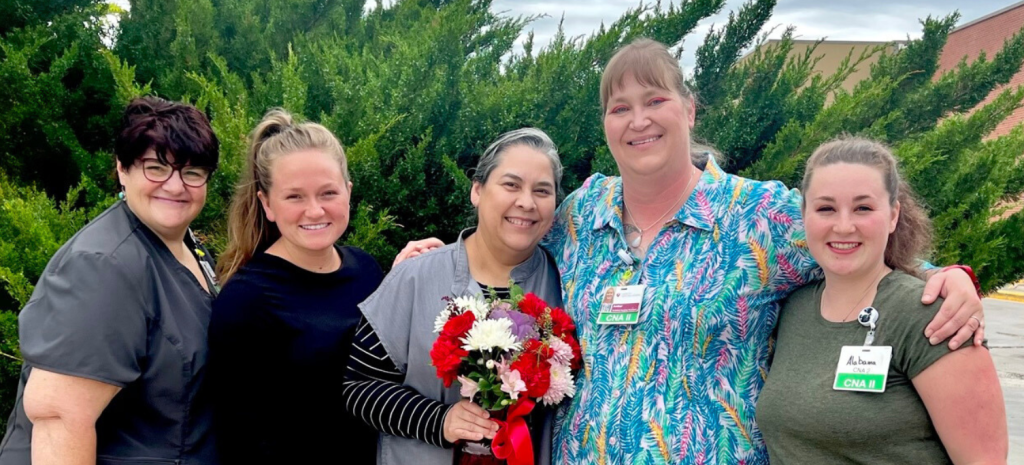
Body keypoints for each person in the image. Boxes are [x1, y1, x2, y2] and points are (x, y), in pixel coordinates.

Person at [396, 39, 985, 464]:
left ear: (689, 109)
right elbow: (508, 238)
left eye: (654, 100)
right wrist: (441, 252)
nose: (638, 120)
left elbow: (858, 242)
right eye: (619, 107)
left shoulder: (759, 216)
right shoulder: (581, 213)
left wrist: (952, 279)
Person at [755, 137, 1007, 464]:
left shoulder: (932, 314)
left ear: (892, 215)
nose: (843, 226)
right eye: (826, 208)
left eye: (863, 208)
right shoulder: (795, 308)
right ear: (805, 215)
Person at [0, 97, 220, 464]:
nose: (176, 185)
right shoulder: (103, 267)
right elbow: (59, 419)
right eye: (156, 167)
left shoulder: (186, 244)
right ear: (122, 169)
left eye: (192, 172)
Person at [342, 128, 564, 465]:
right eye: (511, 184)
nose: (526, 202)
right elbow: (357, 386)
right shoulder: (416, 277)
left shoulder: (564, 284)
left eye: (542, 190)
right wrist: (439, 421)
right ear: (477, 189)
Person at [206, 109, 382, 464]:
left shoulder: (367, 270)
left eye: (328, 192)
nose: (314, 211)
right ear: (266, 204)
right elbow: (239, 439)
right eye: (295, 197)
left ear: (348, 192)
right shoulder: (246, 300)